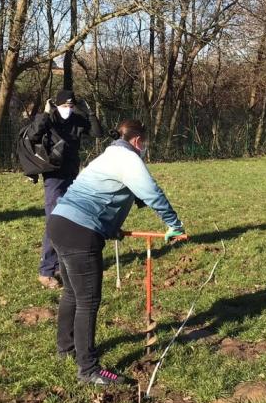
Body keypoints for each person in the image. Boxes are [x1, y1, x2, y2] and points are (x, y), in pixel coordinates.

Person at [47, 119, 186, 385]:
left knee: (71, 294)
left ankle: (66, 349)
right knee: (88, 301)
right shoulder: (128, 159)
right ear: (138, 141)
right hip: (79, 232)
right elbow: (151, 193)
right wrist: (174, 225)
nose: (145, 149)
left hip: (60, 222)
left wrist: (109, 227)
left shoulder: (106, 156)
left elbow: (102, 197)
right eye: (145, 144)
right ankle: (88, 369)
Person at [26, 89, 103, 289]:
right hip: (53, 175)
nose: (67, 109)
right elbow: (34, 135)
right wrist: (44, 113)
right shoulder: (49, 119)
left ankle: (62, 266)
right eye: (63, 106)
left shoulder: (77, 120)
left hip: (72, 175)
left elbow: (97, 133)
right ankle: (46, 271)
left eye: (70, 105)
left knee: (68, 220)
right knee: (54, 221)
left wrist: (91, 114)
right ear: (56, 105)